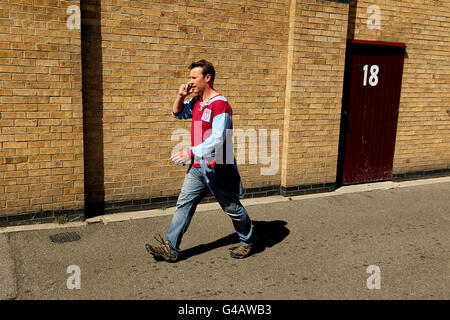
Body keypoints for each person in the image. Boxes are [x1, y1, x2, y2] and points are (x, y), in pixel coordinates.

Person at [145, 59, 256, 262]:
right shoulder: (197, 102)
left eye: (194, 78)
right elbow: (177, 113)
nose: (190, 82)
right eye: (190, 78)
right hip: (197, 167)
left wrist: (190, 152)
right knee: (184, 205)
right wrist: (180, 96)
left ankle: (247, 241)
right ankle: (171, 248)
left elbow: (219, 138)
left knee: (231, 207)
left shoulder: (220, 104)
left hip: (217, 167)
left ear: (207, 78)